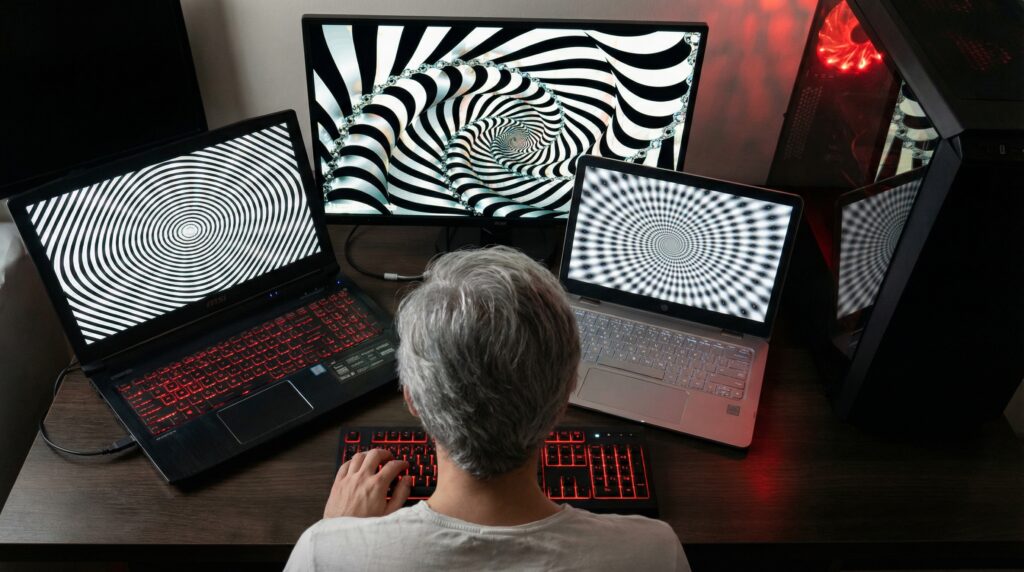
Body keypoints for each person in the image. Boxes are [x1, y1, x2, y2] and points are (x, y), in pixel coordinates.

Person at [285, 247, 690, 571]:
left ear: (413, 399)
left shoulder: (324, 554)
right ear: (565, 396)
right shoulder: (655, 553)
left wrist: (338, 533)